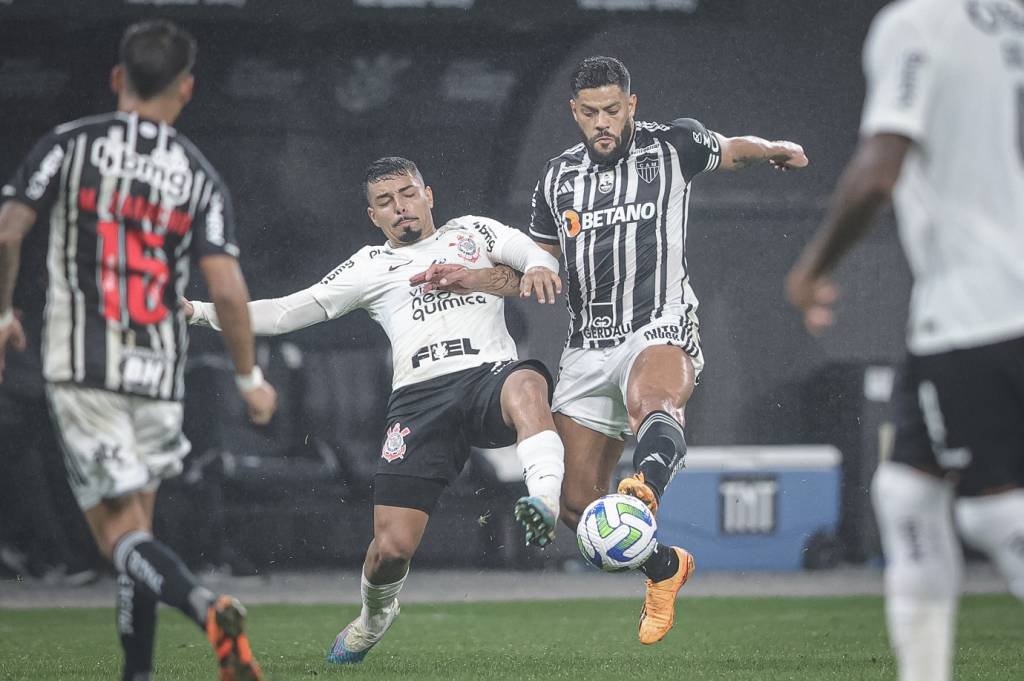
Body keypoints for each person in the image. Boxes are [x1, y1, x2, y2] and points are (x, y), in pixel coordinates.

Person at [418, 55, 808, 644]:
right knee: (578, 510)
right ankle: (665, 567)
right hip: (587, 348)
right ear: (574, 112)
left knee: (652, 398)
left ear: (632, 105)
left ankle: (645, 485)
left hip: (659, 322)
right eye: (590, 112)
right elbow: (537, 270)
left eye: (613, 110)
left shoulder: (671, 147)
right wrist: (474, 278)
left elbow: (732, 148)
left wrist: (775, 147)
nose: (602, 122)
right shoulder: (555, 181)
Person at [185, 156, 566, 664]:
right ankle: (374, 618)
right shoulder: (368, 266)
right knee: (390, 550)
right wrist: (198, 312)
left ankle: (543, 500)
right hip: (419, 401)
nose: (400, 208)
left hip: (485, 378)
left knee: (527, 383)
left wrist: (539, 265)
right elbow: (285, 311)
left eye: (407, 194)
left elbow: (534, 254)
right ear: (374, 216)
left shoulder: (473, 230)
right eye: (386, 202)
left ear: (428, 194)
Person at [0, 20, 277, 681]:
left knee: (118, 538)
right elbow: (228, 288)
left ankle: (206, 606)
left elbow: (9, 231)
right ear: (186, 88)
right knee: (141, 531)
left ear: (118, 79)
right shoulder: (198, 173)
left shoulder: (68, 145)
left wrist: (4, 309)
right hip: (158, 368)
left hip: (83, 365)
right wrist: (248, 377)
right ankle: (138, 673)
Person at [786, 2, 1024, 680]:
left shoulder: (918, 24)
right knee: (906, 493)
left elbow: (879, 168)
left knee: (992, 513)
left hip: (979, 307)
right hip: (971, 307)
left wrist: (814, 267)